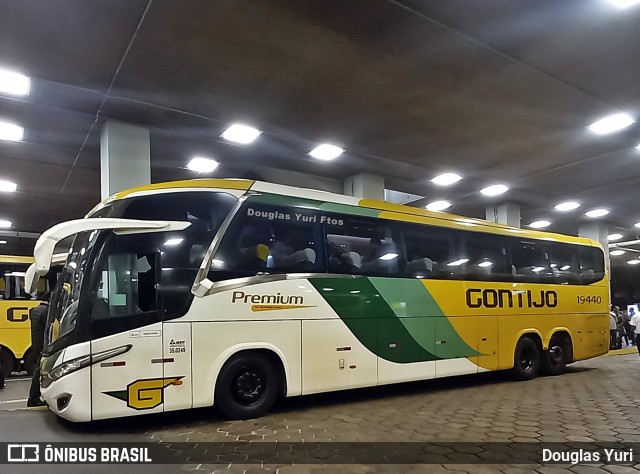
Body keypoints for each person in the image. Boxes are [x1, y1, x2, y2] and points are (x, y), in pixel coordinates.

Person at [27, 292, 50, 407]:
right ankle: (33, 397)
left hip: (35, 344)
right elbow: (47, 330)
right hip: (42, 345)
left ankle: (35, 396)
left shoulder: (34, 310)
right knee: (39, 372)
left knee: (38, 370)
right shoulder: (46, 312)